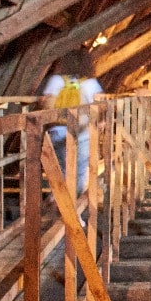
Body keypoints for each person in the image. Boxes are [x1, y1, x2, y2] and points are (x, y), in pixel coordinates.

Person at [40, 51, 103, 195]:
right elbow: (99, 106)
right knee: (79, 171)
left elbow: (45, 104)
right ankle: (70, 207)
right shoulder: (90, 83)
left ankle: (56, 198)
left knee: (61, 169)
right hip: (81, 132)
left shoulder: (56, 81)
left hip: (57, 129)